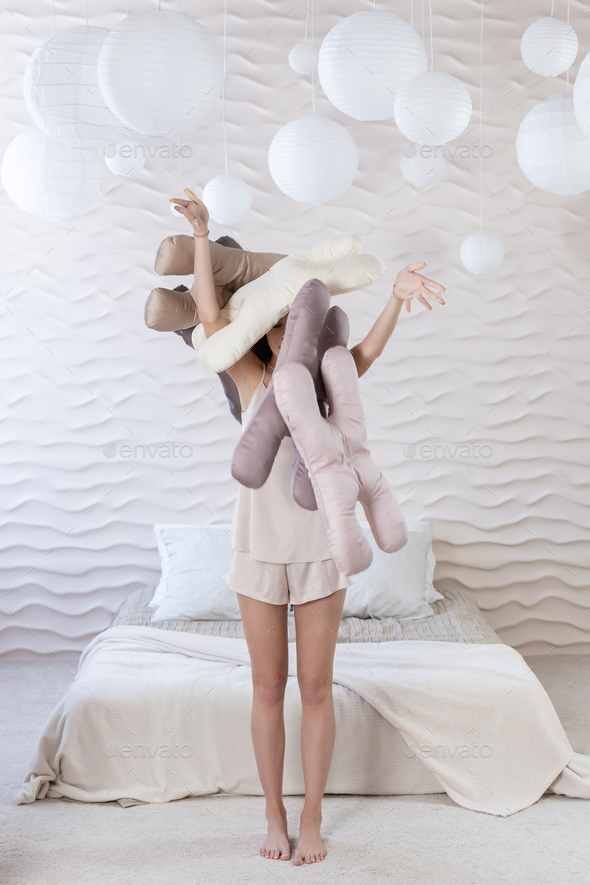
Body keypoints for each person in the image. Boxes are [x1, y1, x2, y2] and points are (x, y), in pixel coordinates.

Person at [170, 187, 446, 866]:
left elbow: (370, 353)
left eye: (293, 316)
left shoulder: (329, 382)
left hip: (321, 552)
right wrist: (203, 236)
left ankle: (314, 816)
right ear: (261, 326)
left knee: (316, 687)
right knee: (267, 687)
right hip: (259, 551)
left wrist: (398, 297)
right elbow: (208, 320)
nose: (283, 328)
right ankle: (273, 812)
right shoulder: (248, 380)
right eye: (272, 317)